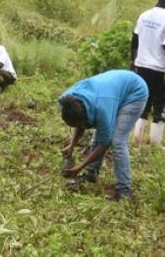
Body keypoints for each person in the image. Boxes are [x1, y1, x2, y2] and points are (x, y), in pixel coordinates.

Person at [59, 69, 148, 201]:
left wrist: (80, 166)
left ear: (84, 114)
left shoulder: (102, 108)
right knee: (99, 134)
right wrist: (71, 145)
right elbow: (80, 123)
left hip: (134, 93)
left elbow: (105, 143)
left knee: (117, 142)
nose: (82, 126)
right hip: (112, 90)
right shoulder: (66, 102)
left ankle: (124, 192)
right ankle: (90, 174)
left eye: (82, 123)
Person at [130, 0, 165, 146]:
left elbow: (134, 41)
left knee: (143, 102)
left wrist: (133, 62)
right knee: (160, 106)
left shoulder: (144, 15)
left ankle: (136, 139)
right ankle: (155, 144)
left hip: (141, 65)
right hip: (160, 69)